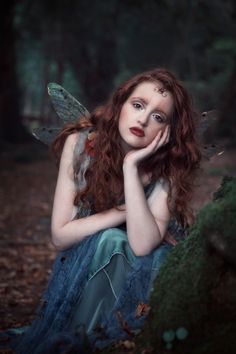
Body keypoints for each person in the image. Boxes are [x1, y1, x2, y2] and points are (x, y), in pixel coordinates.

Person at [3, 68, 201, 353]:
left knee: (131, 246)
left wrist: (131, 168)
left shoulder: (166, 166)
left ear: (168, 132)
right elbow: (60, 236)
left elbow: (144, 244)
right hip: (88, 262)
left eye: (158, 117)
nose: (143, 119)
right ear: (120, 104)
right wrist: (125, 211)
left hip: (139, 266)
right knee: (111, 240)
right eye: (138, 105)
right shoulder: (83, 143)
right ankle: (87, 340)